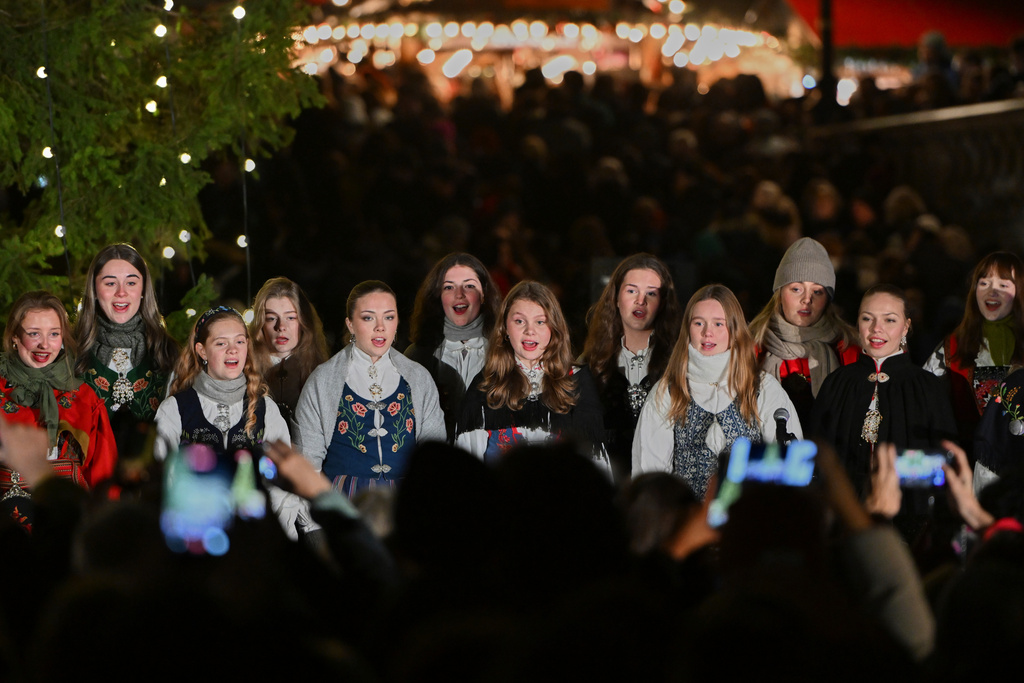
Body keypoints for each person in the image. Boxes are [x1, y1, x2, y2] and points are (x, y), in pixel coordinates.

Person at [632, 284, 801, 499]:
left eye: (718, 324)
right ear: (688, 329)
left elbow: (789, 467)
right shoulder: (668, 391)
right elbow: (650, 475)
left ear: (734, 330)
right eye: (698, 323)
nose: (707, 333)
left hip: (747, 514)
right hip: (689, 516)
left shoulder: (762, 388)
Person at [153, 306, 303, 537]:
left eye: (239, 342)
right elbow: (162, 477)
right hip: (195, 534)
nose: (232, 350)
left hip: (254, 536)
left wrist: (266, 534)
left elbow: (283, 482)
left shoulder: (266, 410)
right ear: (202, 351)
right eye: (221, 343)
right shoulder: (175, 409)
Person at [293, 281, 445, 497]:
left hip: (405, 503)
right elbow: (307, 465)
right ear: (350, 324)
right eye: (368, 318)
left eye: (389, 317)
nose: (380, 327)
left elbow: (435, 458)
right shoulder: (323, 380)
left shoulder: (418, 378)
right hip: (344, 503)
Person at [812, 285, 956, 495]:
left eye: (889, 320)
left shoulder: (927, 388)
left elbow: (943, 463)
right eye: (867, 318)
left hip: (909, 505)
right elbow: (817, 456)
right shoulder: (836, 384)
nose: (876, 328)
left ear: (906, 327)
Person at [454, 281, 609, 471]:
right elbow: (466, 471)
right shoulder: (484, 386)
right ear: (505, 328)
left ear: (554, 328)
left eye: (540, 322)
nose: (530, 331)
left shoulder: (578, 381)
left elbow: (596, 467)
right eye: (519, 321)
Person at [0, 291, 116, 498]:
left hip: (68, 515)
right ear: (15, 337)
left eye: (54, 334)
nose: (45, 344)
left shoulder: (84, 398)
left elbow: (105, 480)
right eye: (34, 334)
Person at [581, 253, 682, 482]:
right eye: (631, 291)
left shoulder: (680, 363)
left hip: (661, 487)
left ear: (663, 303)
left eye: (651, 293)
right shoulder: (590, 364)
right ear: (616, 298)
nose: (640, 301)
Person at [749, 237, 859, 427]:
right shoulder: (751, 347)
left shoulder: (847, 349)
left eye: (817, 291)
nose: (806, 299)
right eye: (796, 289)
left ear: (828, 299)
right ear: (780, 293)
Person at [924, 252, 1024, 447]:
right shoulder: (954, 346)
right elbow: (923, 399)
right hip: (969, 456)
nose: (992, 291)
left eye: (1003, 285)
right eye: (984, 283)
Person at [74, 244, 178, 422]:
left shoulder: (169, 351)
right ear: (95, 290)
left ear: (143, 289)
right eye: (110, 283)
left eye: (131, 283)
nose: (121, 292)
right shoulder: (71, 349)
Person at [405, 253, 499, 439]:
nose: (459, 294)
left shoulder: (506, 353)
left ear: (483, 294)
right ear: (438, 296)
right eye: (449, 287)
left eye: (469, 286)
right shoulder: (416, 357)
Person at [249, 277, 329, 424]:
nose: (281, 326)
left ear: (303, 322)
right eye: (271, 318)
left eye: (290, 317)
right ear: (261, 324)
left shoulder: (322, 372)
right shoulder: (245, 369)